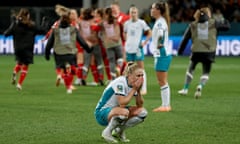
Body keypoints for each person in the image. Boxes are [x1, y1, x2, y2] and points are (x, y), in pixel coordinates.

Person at [177, 7, 230, 98]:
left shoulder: (192, 25)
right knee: (206, 72)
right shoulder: (214, 23)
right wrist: (224, 20)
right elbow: (227, 27)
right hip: (209, 52)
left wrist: (180, 51)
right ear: (208, 14)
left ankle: (185, 89)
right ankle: (200, 85)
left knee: (191, 69)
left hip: (196, 52)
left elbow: (185, 39)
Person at [94, 61, 148, 143]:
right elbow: (122, 103)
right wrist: (134, 89)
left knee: (142, 112)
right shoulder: (120, 82)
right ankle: (107, 132)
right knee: (124, 112)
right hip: (101, 113)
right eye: (138, 75)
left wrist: (138, 90)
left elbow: (139, 104)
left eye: (142, 75)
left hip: (116, 110)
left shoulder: (133, 83)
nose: (141, 78)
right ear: (130, 75)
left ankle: (119, 131)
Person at [44, 6, 92, 94]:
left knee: (62, 68)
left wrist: (47, 54)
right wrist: (88, 49)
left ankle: (62, 78)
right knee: (72, 70)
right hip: (71, 51)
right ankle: (69, 84)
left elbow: (49, 43)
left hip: (59, 52)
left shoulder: (56, 28)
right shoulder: (73, 27)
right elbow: (81, 40)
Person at [3, 8, 48, 90]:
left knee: (19, 63)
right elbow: (43, 31)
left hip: (17, 49)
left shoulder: (16, 25)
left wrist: (13, 23)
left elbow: (6, 33)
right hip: (28, 49)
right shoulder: (31, 25)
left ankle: (15, 72)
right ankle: (19, 84)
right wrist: (44, 22)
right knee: (25, 66)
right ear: (28, 15)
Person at [123, 6, 152, 95]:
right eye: (132, 12)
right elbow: (124, 33)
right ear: (129, 14)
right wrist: (127, 42)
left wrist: (144, 43)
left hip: (138, 49)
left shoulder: (141, 23)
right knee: (130, 69)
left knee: (141, 68)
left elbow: (149, 32)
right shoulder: (127, 23)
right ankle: (129, 87)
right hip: (129, 48)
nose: (133, 14)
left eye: (135, 12)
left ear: (137, 13)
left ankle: (144, 88)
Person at [150, 1, 172, 112]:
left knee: (162, 81)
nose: (151, 10)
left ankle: (165, 105)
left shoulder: (160, 23)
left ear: (158, 10)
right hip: (163, 54)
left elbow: (160, 34)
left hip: (162, 54)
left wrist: (160, 43)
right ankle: (166, 105)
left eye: (153, 8)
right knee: (163, 81)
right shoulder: (161, 21)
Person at [99, 7, 123, 80]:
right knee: (121, 59)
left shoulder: (102, 23)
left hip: (108, 44)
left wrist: (105, 40)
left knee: (111, 62)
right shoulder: (115, 21)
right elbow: (118, 34)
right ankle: (119, 69)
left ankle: (113, 78)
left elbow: (101, 33)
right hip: (117, 43)